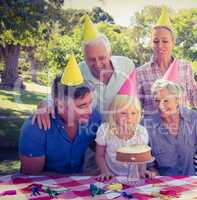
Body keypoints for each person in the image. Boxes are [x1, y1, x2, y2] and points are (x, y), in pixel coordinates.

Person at [30, 15, 135, 173]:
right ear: (84, 58)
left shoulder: (126, 65)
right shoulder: (78, 70)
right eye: (91, 60)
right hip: (91, 138)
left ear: (110, 52)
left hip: (120, 137)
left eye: (102, 58)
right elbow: (59, 94)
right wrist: (45, 104)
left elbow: (132, 101)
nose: (98, 64)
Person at [19, 55, 101, 175]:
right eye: (82, 106)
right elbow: (31, 177)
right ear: (61, 105)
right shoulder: (35, 129)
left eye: (90, 102)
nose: (89, 110)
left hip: (78, 189)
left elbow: (104, 150)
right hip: (44, 190)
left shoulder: (93, 119)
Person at [137, 8, 197, 116]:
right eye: (156, 41)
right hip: (154, 130)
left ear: (173, 42)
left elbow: (194, 101)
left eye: (165, 41)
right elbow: (136, 108)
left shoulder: (185, 67)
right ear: (151, 43)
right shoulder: (141, 72)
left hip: (182, 129)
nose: (160, 45)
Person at [143, 79, 197, 176]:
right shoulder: (147, 126)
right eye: (157, 100)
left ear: (177, 100)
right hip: (164, 186)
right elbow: (149, 164)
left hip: (193, 183)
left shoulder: (194, 119)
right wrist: (152, 172)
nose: (160, 106)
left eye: (166, 101)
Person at [95, 95, 153, 180]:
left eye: (133, 113)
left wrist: (142, 170)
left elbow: (142, 156)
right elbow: (99, 155)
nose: (129, 117)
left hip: (134, 177)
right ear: (114, 113)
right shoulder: (105, 130)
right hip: (111, 177)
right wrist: (105, 172)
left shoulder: (141, 132)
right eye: (123, 113)